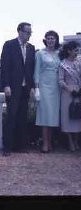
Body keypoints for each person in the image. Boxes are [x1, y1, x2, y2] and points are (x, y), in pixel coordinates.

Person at [1, 22, 35, 156]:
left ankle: (20, 146)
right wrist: (6, 85)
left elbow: (31, 68)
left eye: (30, 32)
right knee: (11, 116)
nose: (29, 35)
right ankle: (7, 147)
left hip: (26, 87)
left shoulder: (31, 48)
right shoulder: (9, 45)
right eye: (27, 32)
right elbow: (4, 66)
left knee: (22, 117)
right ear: (20, 31)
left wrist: (32, 86)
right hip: (13, 87)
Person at [34, 31, 60, 153]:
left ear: (56, 40)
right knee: (45, 115)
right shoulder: (40, 53)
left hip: (56, 87)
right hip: (44, 86)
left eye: (53, 38)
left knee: (52, 116)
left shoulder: (59, 54)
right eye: (48, 38)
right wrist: (37, 88)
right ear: (45, 40)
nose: (50, 40)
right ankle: (44, 143)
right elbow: (37, 71)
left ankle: (50, 142)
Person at [58, 41, 81, 151]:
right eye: (75, 50)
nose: (77, 52)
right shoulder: (62, 64)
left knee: (78, 116)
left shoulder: (79, 63)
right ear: (69, 51)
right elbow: (60, 81)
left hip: (78, 92)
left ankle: (76, 141)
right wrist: (70, 90)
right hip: (67, 93)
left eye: (77, 50)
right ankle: (70, 142)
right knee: (67, 117)